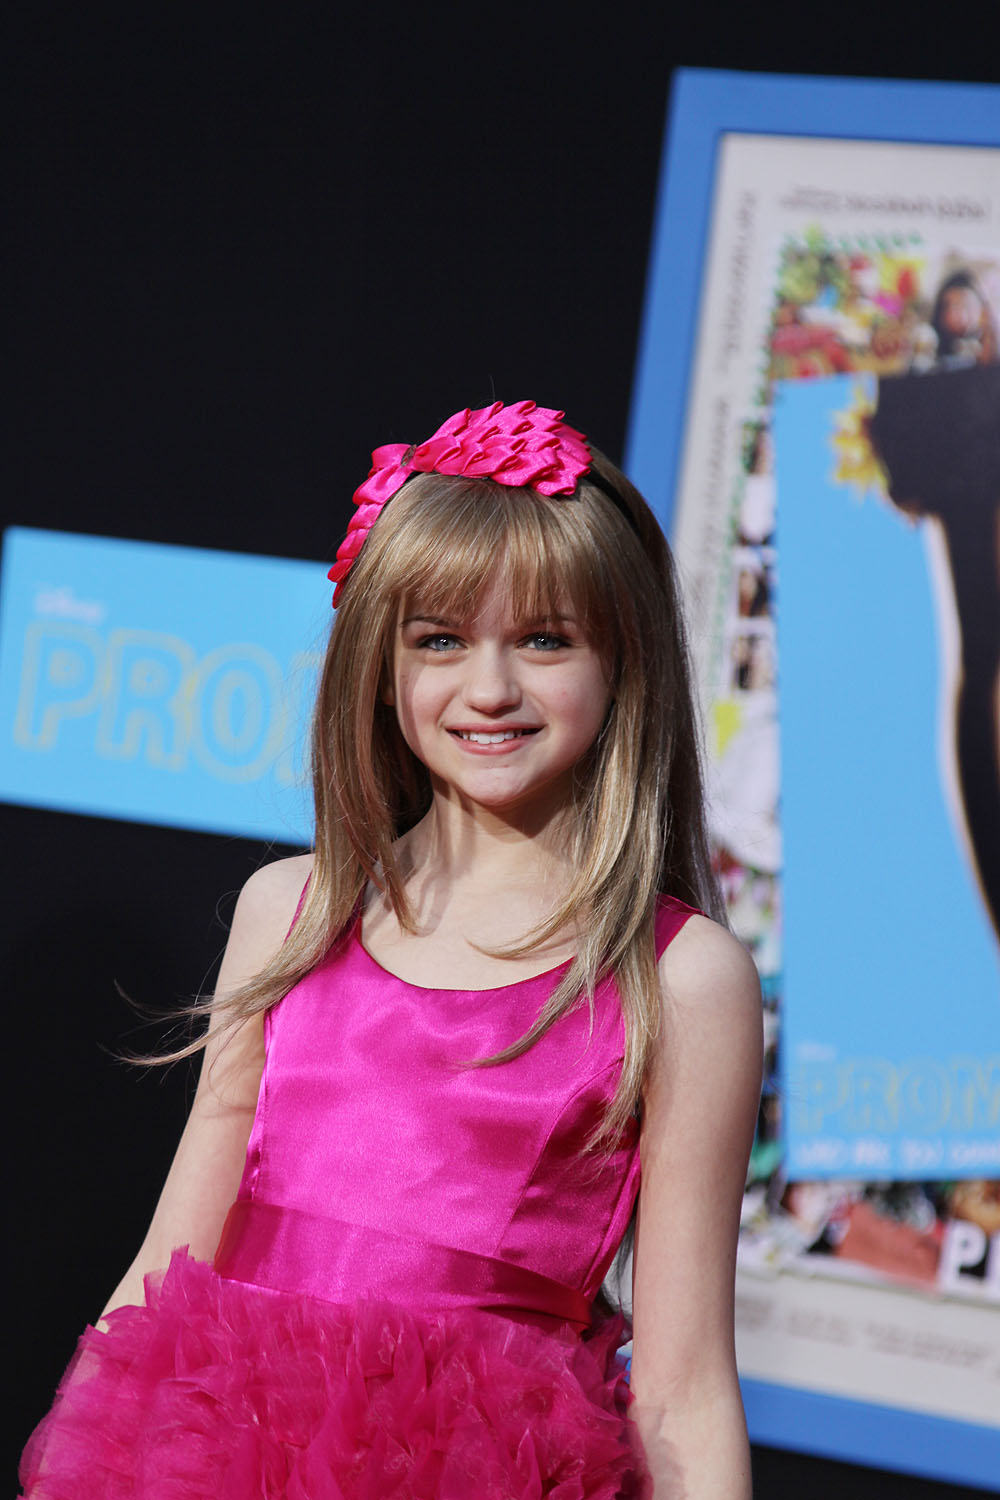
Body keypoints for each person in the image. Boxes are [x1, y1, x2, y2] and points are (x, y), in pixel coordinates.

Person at [20, 400, 763, 1499]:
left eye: (545, 639)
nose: (490, 689)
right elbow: (163, 1271)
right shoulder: (292, 912)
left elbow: (684, 1388)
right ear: (379, 661)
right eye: (440, 640)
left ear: (623, 661)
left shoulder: (679, 977)